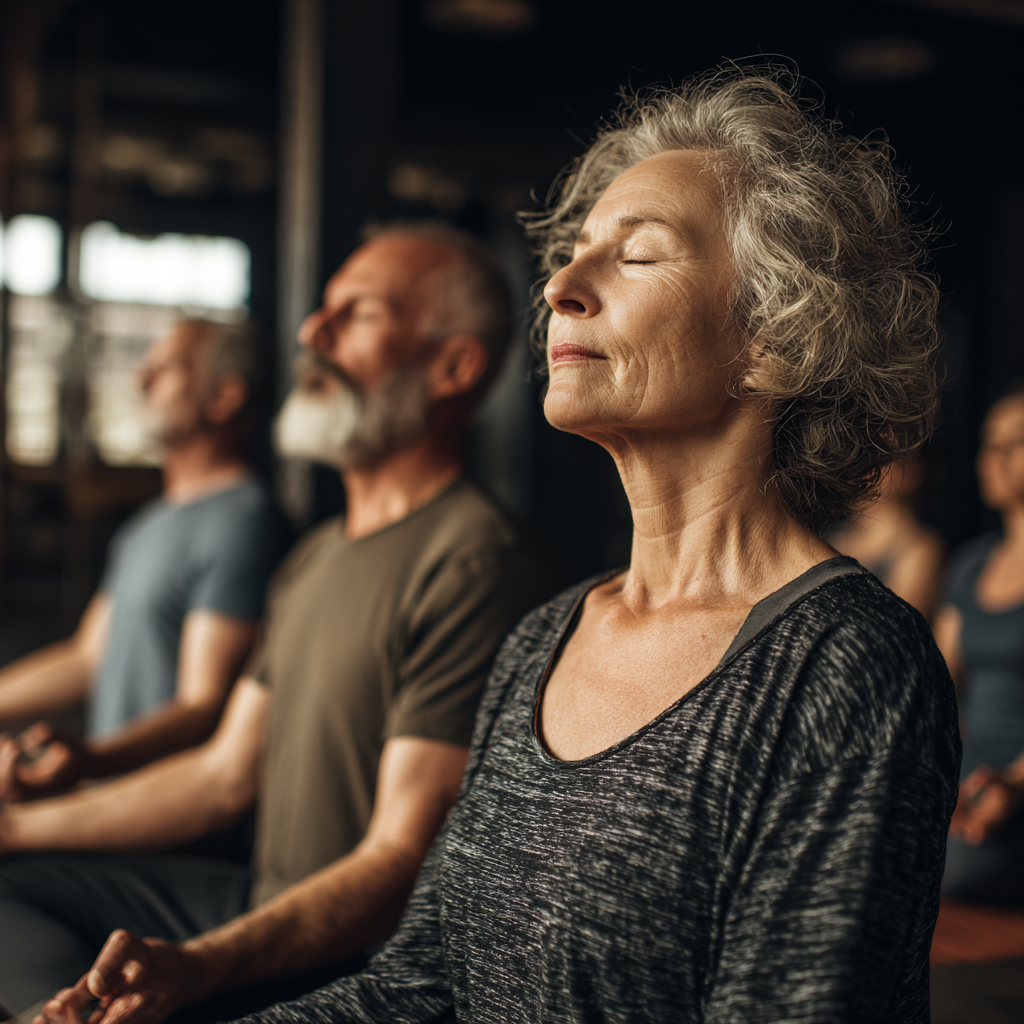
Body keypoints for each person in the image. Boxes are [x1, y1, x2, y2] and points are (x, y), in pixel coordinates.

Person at [109, 69, 954, 1024]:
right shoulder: (544, 638)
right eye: (574, 253)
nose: (558, 286)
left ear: (772, 337)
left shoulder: (843, 665)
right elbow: (422, 987)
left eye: (636, 257)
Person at [0, 224, 558, 1023]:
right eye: (321, 310)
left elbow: (401, 862)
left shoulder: (475, 560)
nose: (311, 332)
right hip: (258, 901)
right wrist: (20, 827)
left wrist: (200, 965)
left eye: (356, 314)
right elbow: (222, 774)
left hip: (349, 960)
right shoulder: (317, 555)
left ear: (453, 367)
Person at [0, 319, 284, 800]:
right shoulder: (148, 523)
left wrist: (95, 759)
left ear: (225, 396)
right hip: (106, 800)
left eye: (167, 367)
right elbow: (87, 657)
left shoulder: (242, 520)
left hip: (165, 817)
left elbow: (204, 704)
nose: (141, 379)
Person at [935, 383, 1024, 905]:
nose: (994, 457)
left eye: (1015, 443)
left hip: (1015, 786)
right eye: (990, 442)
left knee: (955, 869)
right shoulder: (970, 564)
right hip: (969, 777)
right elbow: (942, 691)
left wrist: (1013, 785)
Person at [828, 456, 945, 619]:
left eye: (880, 458)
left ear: (912, 471)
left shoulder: (921, 547)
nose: (861, 468)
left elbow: (899, 625)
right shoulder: (834, 540)